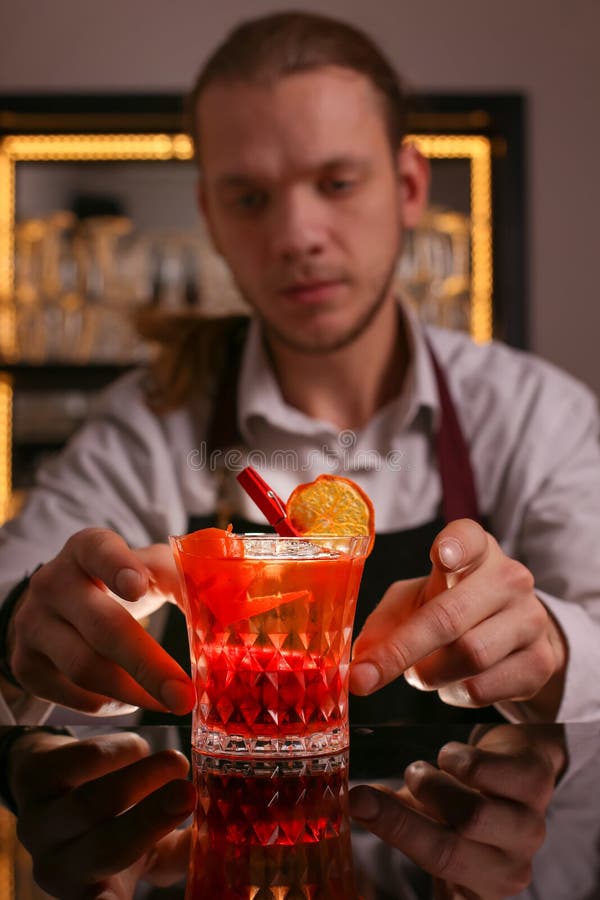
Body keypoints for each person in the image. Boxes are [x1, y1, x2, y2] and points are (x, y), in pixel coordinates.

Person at [1, 10, 599, 728]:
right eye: (250, 198)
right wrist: (23, 631)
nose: (295, 237)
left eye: (338, 183)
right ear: (211, 217)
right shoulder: (149, 425)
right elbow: (17, 591)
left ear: (410, 187)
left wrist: (554, 647)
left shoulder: (538, 414)